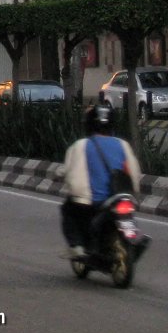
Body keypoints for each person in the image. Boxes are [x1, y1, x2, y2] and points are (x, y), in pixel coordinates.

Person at [60, 104, 142, 258]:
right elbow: (134, 171)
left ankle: (76, 245)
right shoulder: (123, 145)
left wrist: (57, 175)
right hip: (120, 197)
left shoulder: (81, 145)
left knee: (67, 210)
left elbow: (67, 170)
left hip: (90, 202)